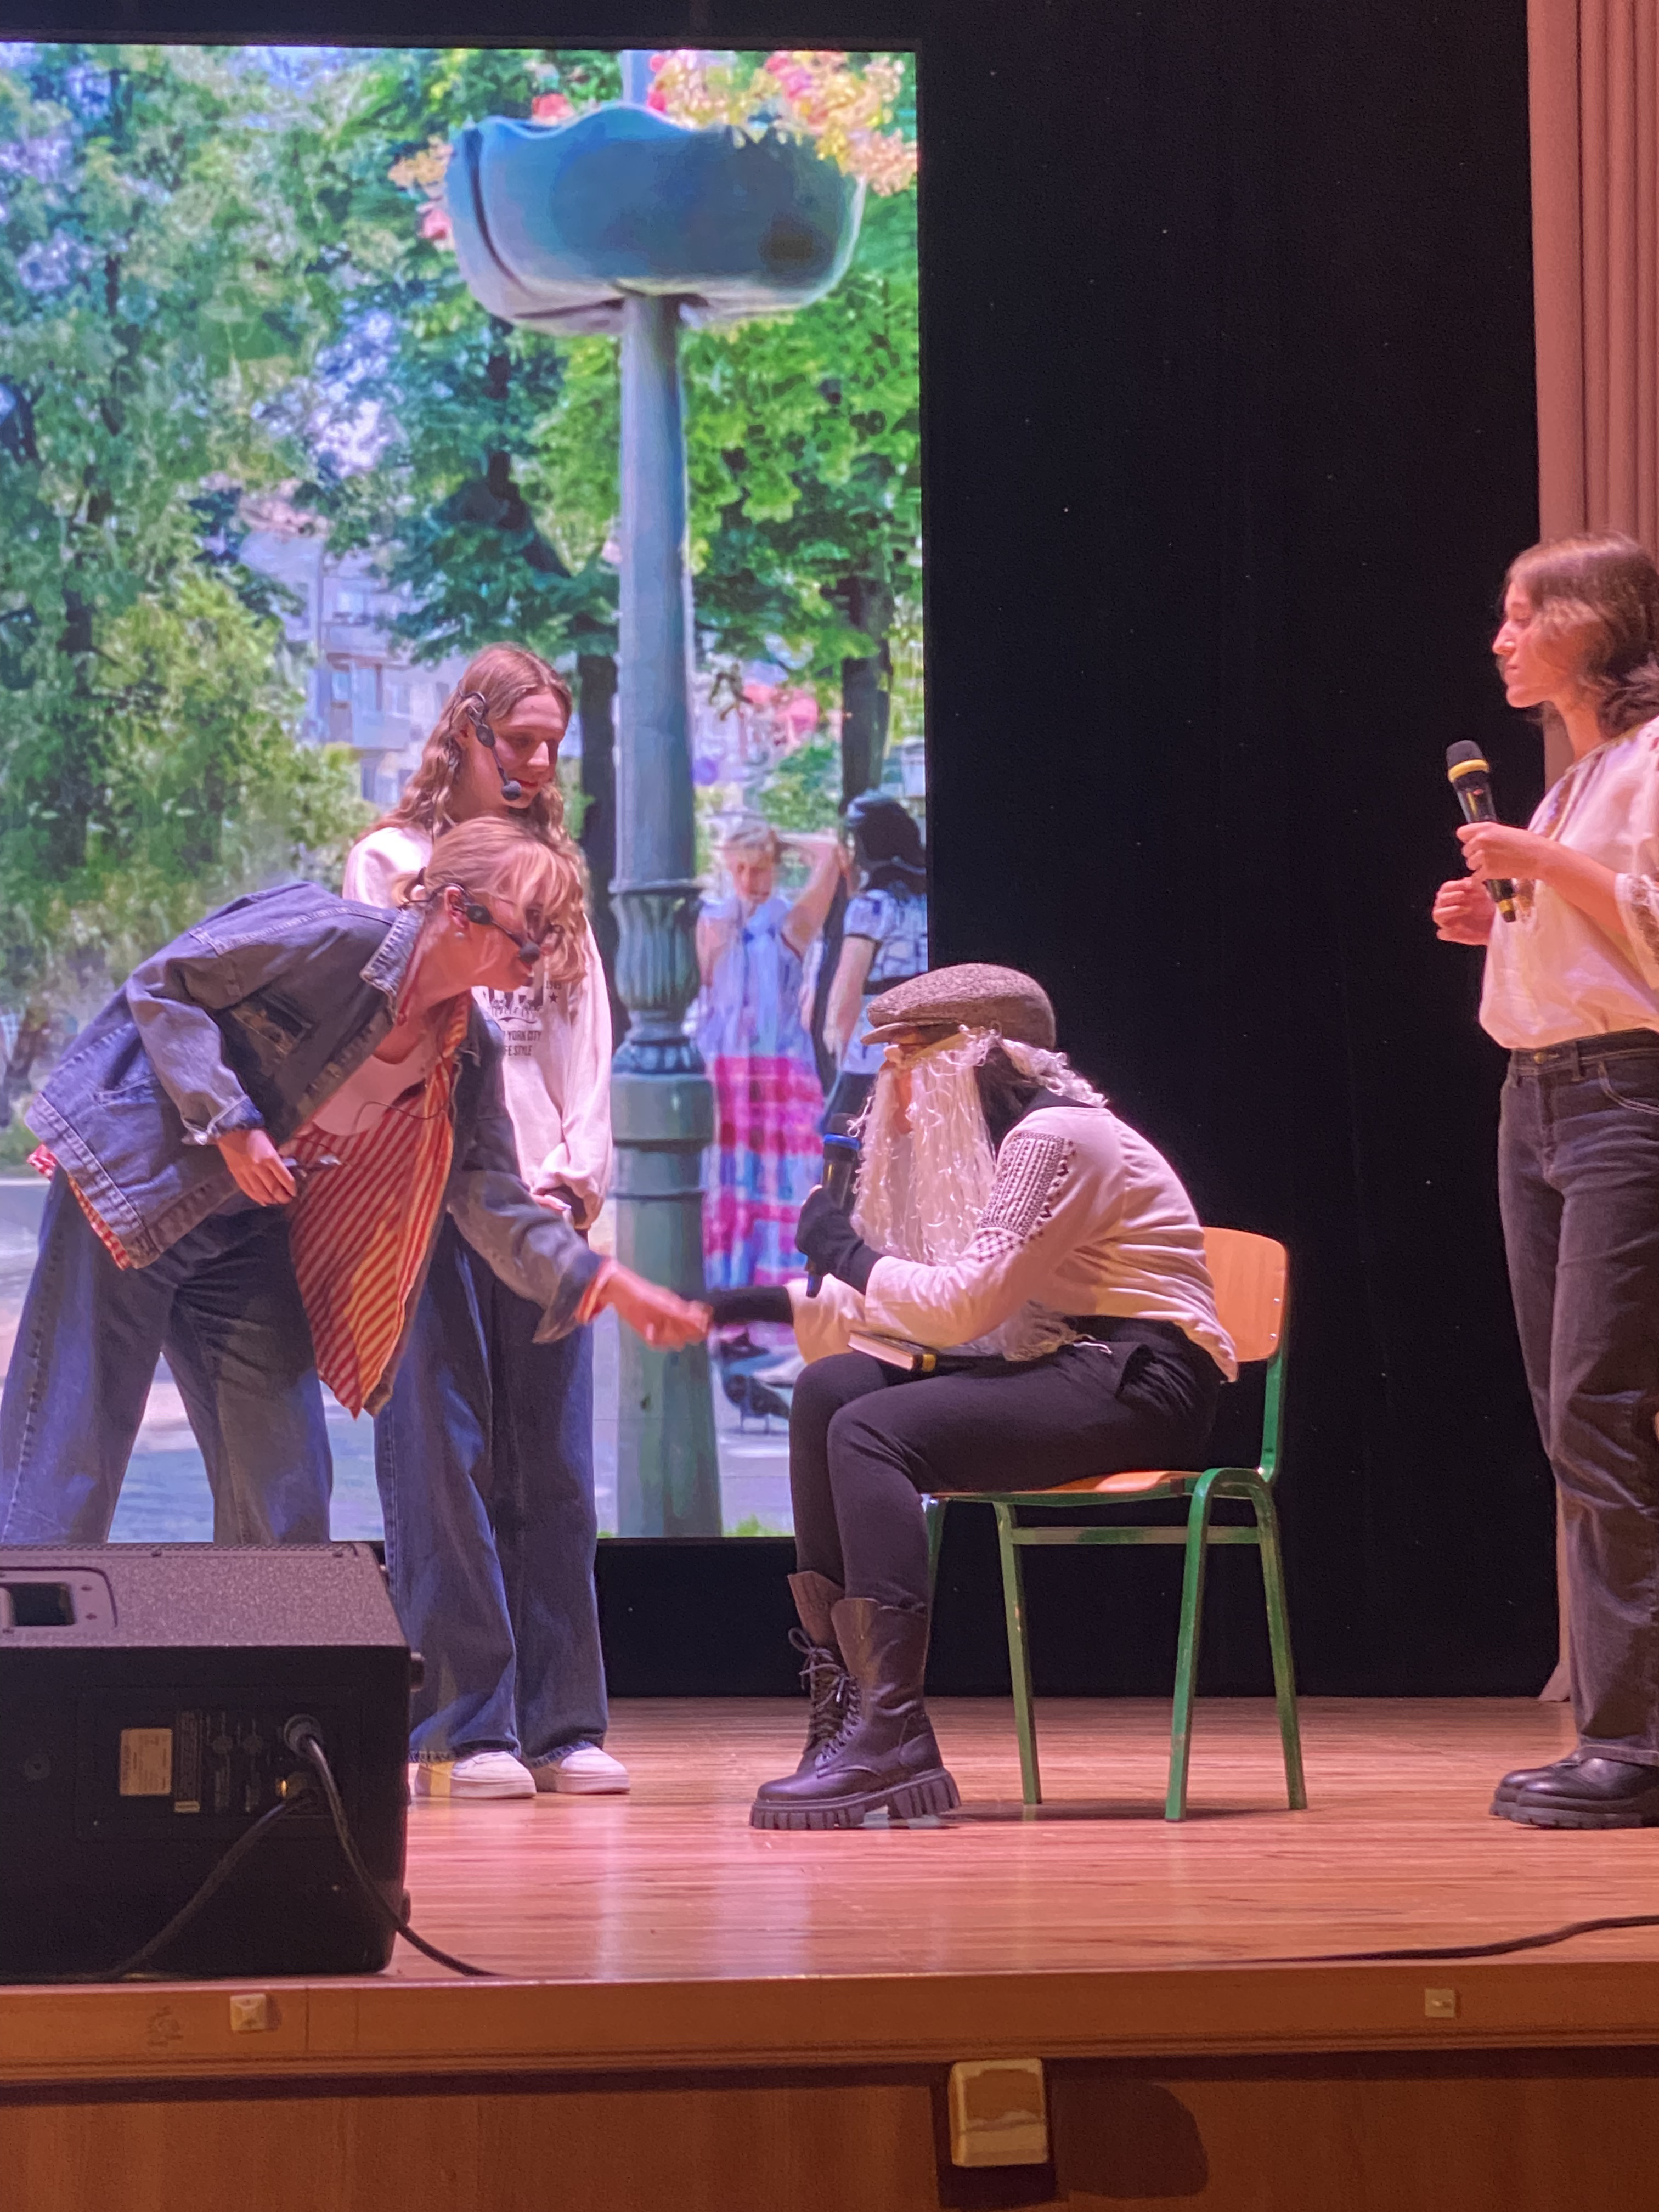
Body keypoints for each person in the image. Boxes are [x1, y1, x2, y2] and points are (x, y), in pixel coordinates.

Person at [0, 816, 706, 1553]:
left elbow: (493, 1200)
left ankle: (260, 1634)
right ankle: (28, 1629)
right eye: (532, 924)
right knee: (66, 1466)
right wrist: (233, 1124)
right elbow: (166, 984)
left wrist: (603, 1280)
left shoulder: (469, 1051)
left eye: (554, 929)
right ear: (457, 907)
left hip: (245, 1228)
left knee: (287, 1492)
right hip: (142, 1185)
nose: (544, 948)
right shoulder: (333, 937)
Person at [710, 963, 1234, 1830]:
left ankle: (893, 1732)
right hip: (1062, 1358)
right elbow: (908, 1314)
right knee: (829, 1391)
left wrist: (850, 1256)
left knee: (871, 1432)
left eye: (909, 1058)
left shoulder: (1055, 1138)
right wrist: (744, 1302)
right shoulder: (982, 1156)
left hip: (1142, 1377)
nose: (890, 1087)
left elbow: (963, 1306)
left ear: (976, 1058)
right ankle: (844, 1713)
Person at [344, 648, 625, 1801]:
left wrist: (574, 1179)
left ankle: (562, 1722)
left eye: (553, 742)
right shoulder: (392, 863)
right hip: (429, 1193)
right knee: (441, 1458)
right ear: (466, 732)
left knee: (551, 1466)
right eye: (520, 740)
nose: (539, 761)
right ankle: (463, 1728)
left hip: (544, 1204)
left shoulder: (557, 872)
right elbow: (383, 1021)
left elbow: (585, 1037)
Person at [1433, 530, 1659, 1829]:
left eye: (1527, 614)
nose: (1503, 639)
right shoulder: (1575, 784)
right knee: (1573, 1421)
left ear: (1598, 621)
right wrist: (1497, 922)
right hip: (1540, 1097)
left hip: (1630, 1095)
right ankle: (1621, 1731)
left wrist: (1545, 869)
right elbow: (1590, 929)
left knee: (1601, 1410)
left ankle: (1633, 1742)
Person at [696, 819, 843, 1293]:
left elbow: (831, 853)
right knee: (727, 1180)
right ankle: (729, 1289)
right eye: (738, 869)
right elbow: (706, 997)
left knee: (785, 1182)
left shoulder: (790, 921)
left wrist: (781, 840)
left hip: (781, 1072)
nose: (747, 879)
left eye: (758, 868)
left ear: (774, 868)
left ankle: (782, 1294)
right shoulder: (713, 922)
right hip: (727, 1071)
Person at [821, 793, 929, 1132]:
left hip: (874, 1048)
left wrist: (837, 1039)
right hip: (925, 1042)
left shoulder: (872, 906)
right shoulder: (924, 901)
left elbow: (849, 987)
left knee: (846, 1137)